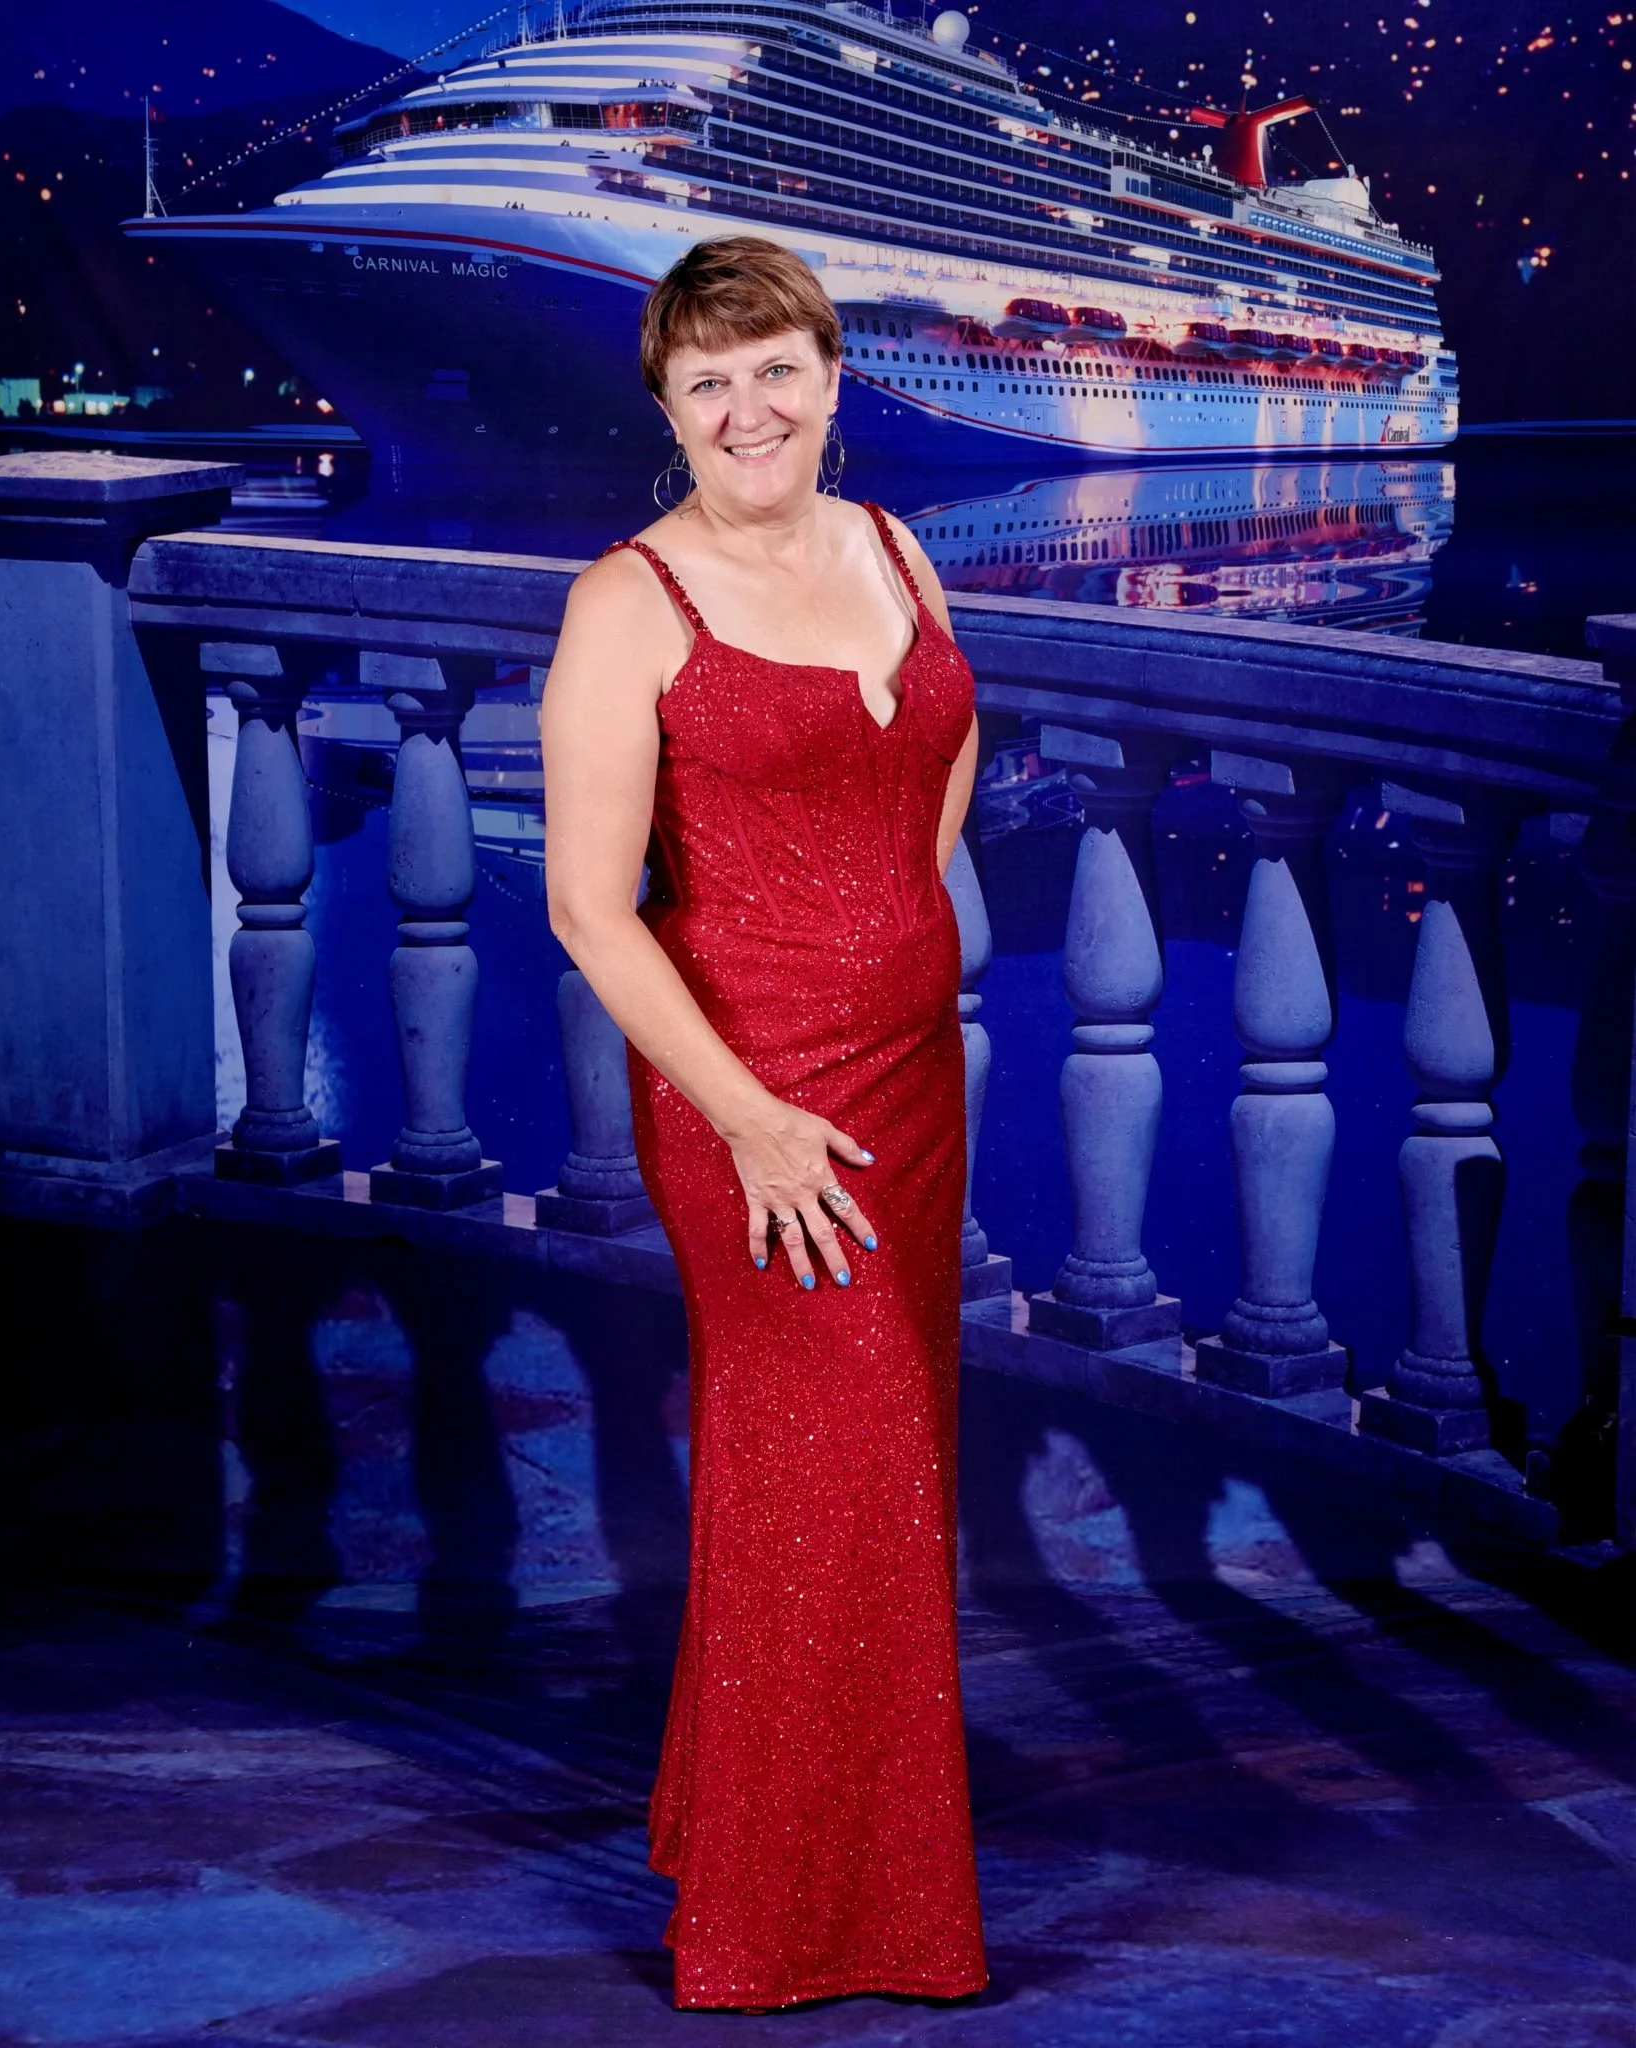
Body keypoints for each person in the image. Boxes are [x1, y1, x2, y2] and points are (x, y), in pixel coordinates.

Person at [540, 236, 987, 2013]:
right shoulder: (626, 601)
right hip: (749, 1094)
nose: (748, 408)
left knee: (863, 1485)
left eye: (776, 368)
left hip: (904, 1081)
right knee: (838, 1464)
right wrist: (750, 1118)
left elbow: (938, 744)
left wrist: (894, 914)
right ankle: (795, 1922)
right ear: (665, 408)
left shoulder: (894, 548)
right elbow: (588, 905)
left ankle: (747, 1830)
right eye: (706, 380)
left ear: (828, 377)